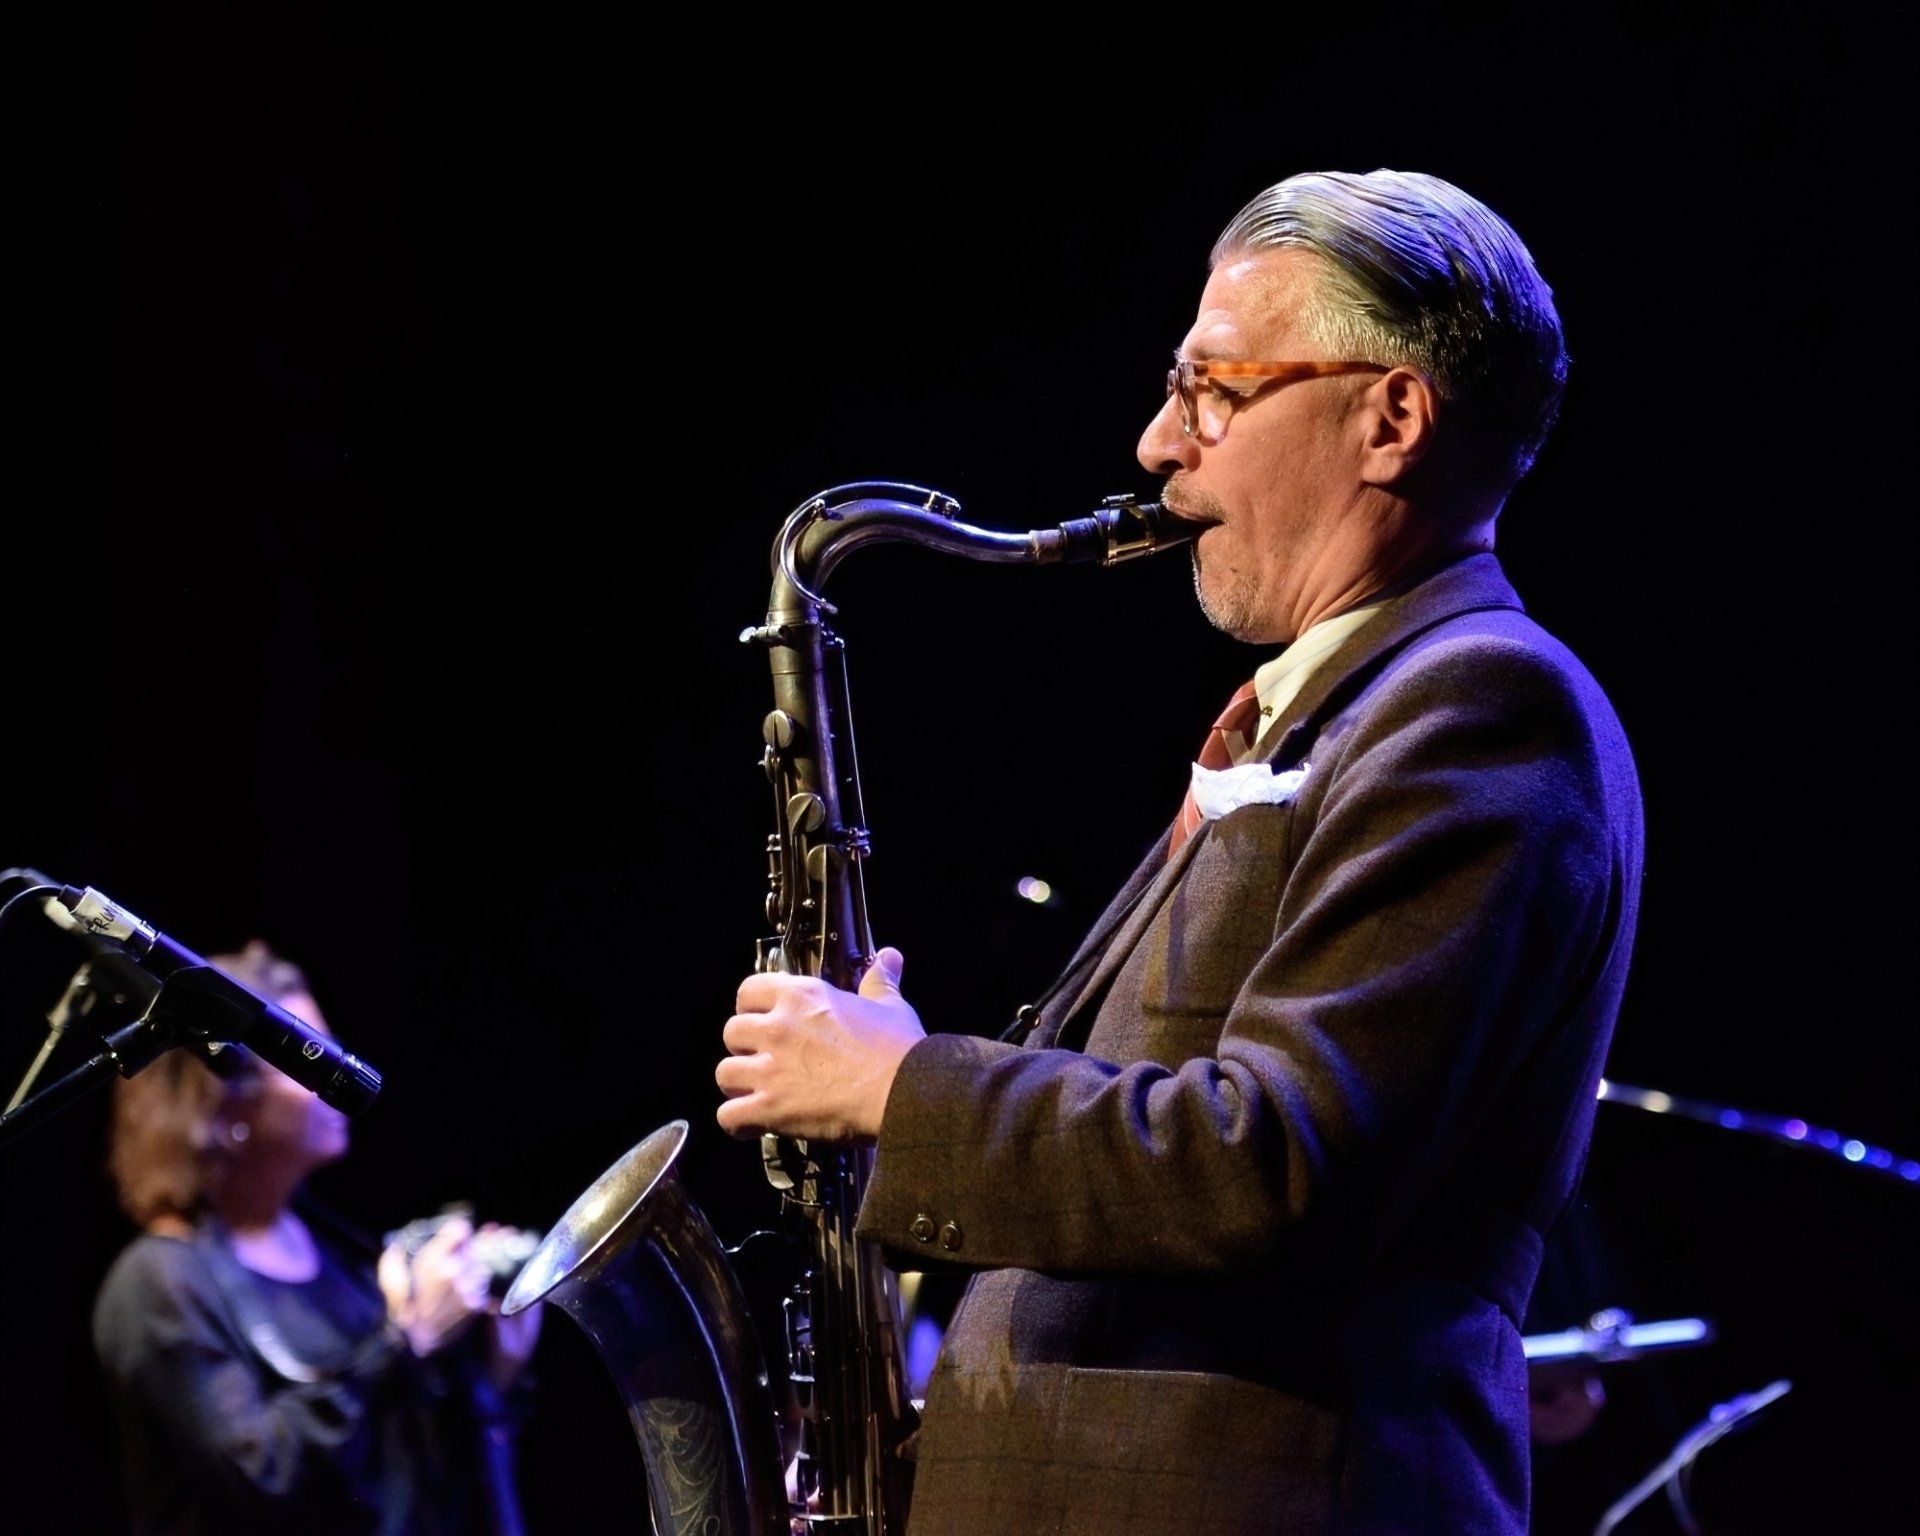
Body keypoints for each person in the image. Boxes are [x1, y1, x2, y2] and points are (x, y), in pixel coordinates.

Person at [715, 165, 1645, 1535]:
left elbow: (1271, 1160)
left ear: (1391, 419)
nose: (1159, 442)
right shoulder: (1331, 714)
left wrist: (902, 1088)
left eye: (1213, 389)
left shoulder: (1482, 705)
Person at [91, 939, 542, 1536]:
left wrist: (491, 1380)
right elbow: (259, 1482)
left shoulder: (339, 1257)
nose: (337, 1069)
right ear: (224, 1100)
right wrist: (406, 1341)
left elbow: (407, 1496)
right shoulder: (159, 1284)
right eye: (308, 1055)